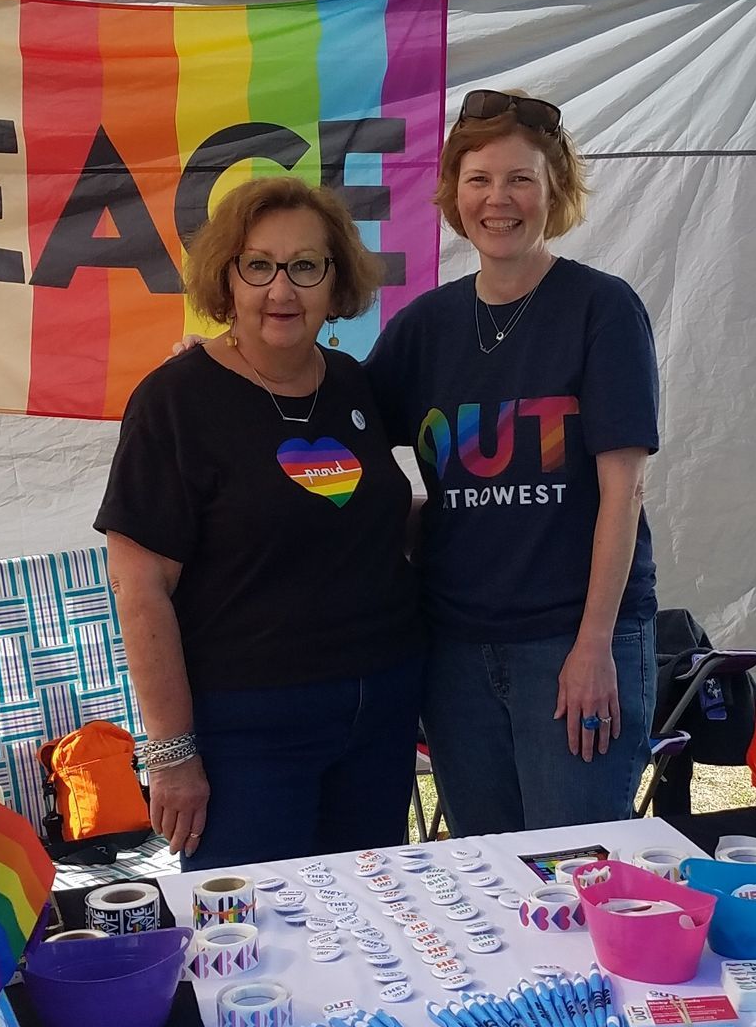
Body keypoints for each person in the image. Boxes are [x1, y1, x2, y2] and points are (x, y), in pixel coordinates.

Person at [97, 178, 423, 868]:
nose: (282, 290)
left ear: (335, 280)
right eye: (259, 266)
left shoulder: (353, 385)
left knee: (371, 915)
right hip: (248, 732)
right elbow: (139, 586)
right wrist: (172, 753)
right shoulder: (175, 401)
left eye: (306, 266)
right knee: (251, 924)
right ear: (227, 278)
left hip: (377, 718)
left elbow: (367, 520)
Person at [369, 88, 660, 835]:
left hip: (571, 642)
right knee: (486, 875)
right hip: (456, 654)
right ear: (453, 193)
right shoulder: (424, 327)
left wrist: (593, 646)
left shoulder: (601, 309)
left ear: (554, 191)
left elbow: (623, 492)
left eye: (520, 179)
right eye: (479, 179)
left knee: (574, 869)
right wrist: (229, 365)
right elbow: (339, 426)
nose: (498, 200)